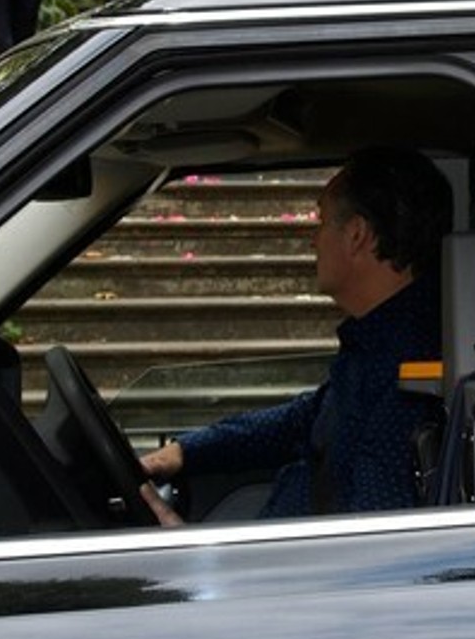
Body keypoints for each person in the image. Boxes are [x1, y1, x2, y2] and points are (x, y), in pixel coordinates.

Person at [138, 146, 449, 520]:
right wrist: (183, 452)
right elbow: (304, 420)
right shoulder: (378, 345)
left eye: (321, 221)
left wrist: (196, 559)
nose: (312, 241)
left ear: (357, 235)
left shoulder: (407, 375)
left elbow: (370, 547)